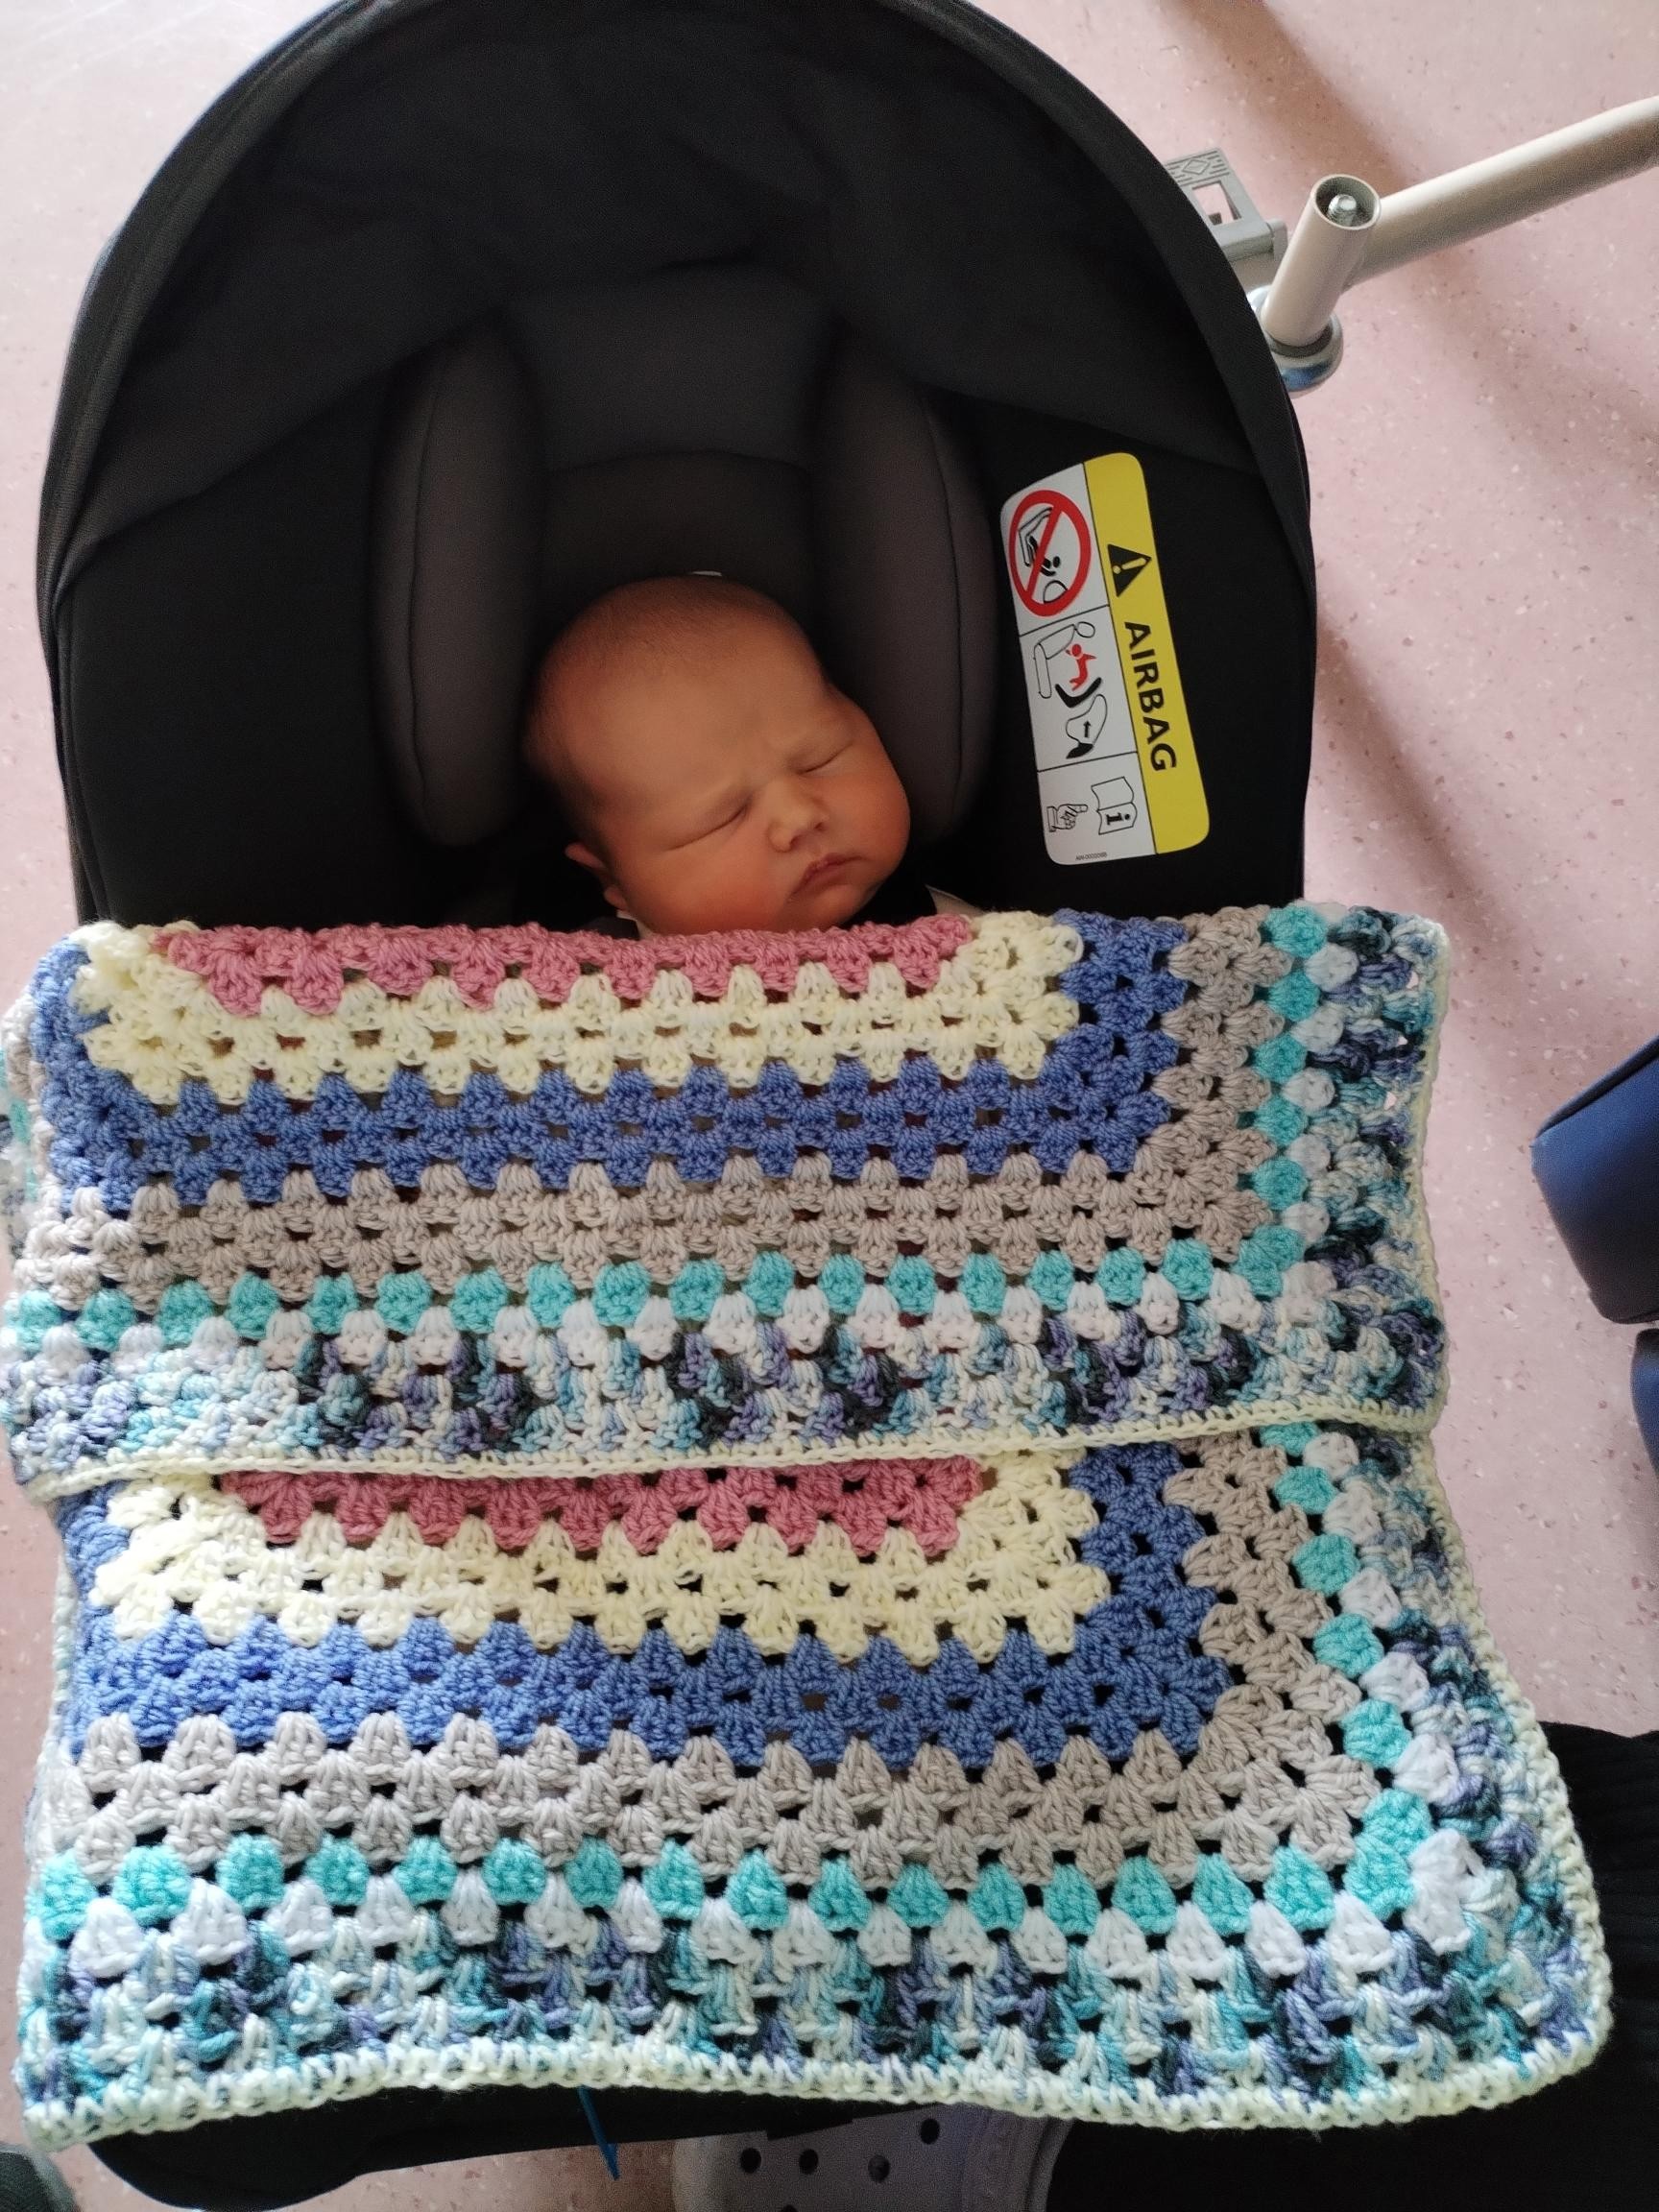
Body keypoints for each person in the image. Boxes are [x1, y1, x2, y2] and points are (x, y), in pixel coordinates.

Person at [521, 575, 937, 935]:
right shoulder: (584, 987)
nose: (799, 817)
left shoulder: (969, 942)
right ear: (614, 879)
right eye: (722, 817)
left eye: (820, 759)